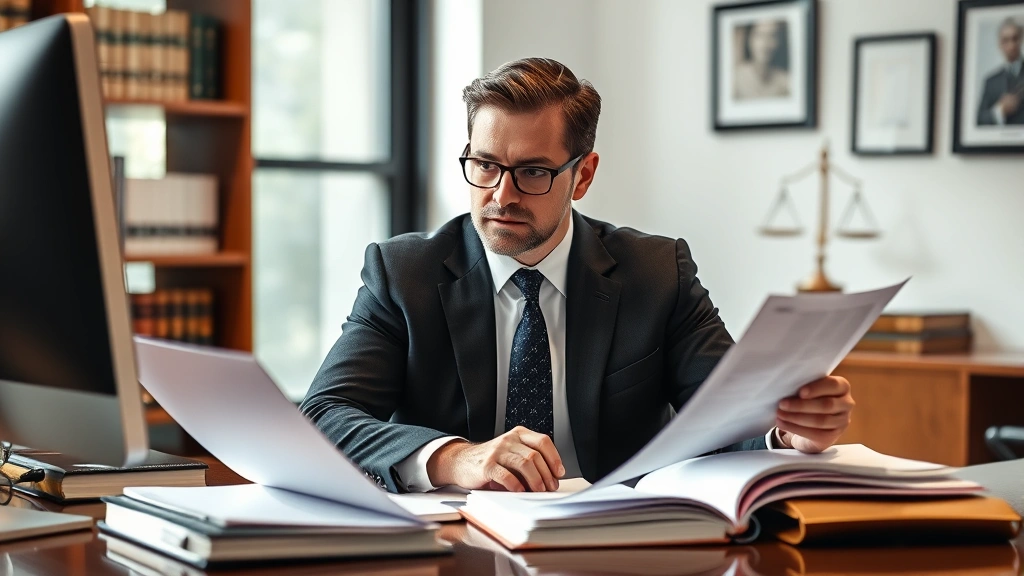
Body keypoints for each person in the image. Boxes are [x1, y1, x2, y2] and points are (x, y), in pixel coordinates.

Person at [300, 58, 854, 494]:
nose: (501, 195)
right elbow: (323, 416)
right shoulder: (405, 273)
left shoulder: (658, 273)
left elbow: (725, 413)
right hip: (452, 546)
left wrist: (786, 430)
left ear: (582, 175)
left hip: (622, 543)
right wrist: (453, 457)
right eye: (486, 165)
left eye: (533, 172)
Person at [977, 17, 1024, 126]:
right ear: (1000, 44)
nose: (1011, 45)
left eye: (1015, 38)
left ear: (1021, 40)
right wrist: (999, 110)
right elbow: (979, 120)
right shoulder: (990, 81)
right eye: (1006, 40)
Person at [733, 20, 791, 100]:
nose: (765, 44)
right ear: (749, 39)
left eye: (772, 36)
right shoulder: (735, 79)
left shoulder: (786, 81)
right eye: (760, 35)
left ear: (779, 42)